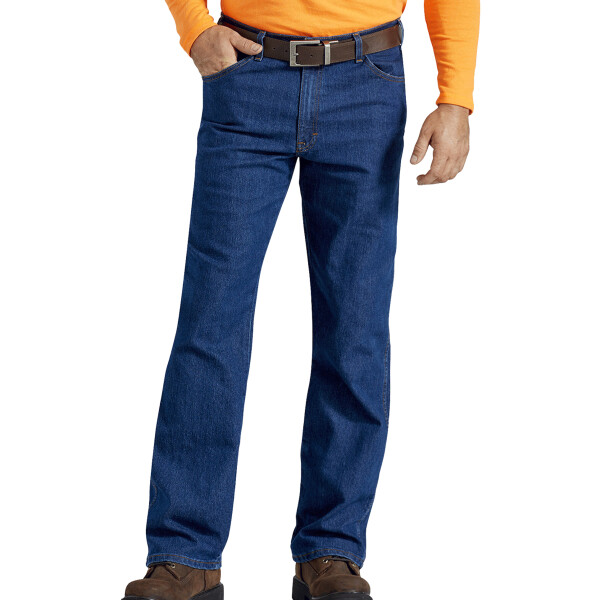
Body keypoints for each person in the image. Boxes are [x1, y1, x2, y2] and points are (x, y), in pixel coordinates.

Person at [123, 0, 479, 598]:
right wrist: (194, 28)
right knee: (210, 323)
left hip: (367, 83)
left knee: (355, 326)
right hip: (247, 74)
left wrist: (456, 95)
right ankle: (186, 555)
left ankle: (331, 549)